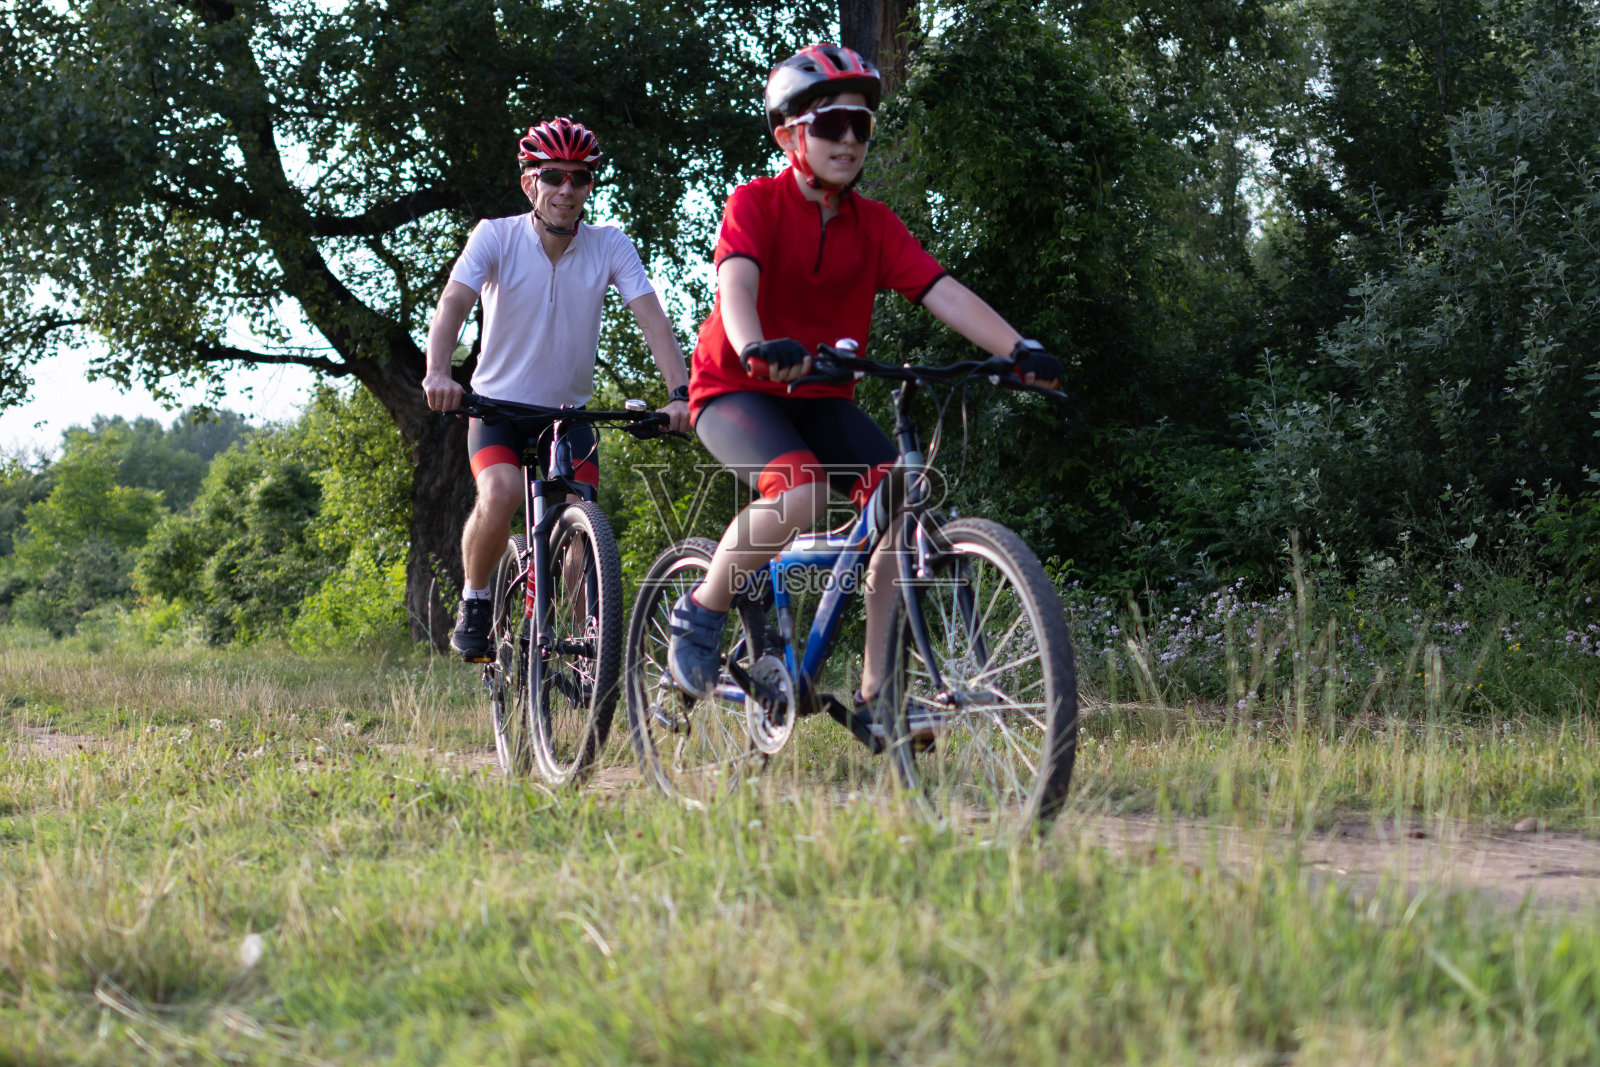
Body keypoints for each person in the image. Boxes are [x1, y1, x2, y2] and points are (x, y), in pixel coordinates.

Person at [666, 44, 1063, 714]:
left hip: (821, 394)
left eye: (861, 126)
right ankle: (703, 609)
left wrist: (1020, 347)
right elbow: (736, 286)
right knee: (802, 495)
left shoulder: (874, 226)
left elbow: (944, 292)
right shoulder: (755, 205)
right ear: (790, 133)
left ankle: (878, 692)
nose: (848, 141)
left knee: (903, 508)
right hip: (736, 389)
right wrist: (756, 344)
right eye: (829, 125)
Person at [423, 117, 691, 660]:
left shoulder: (610, 245)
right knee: (497, 494)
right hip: (496, 406)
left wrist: (681, 393)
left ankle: (587, 641)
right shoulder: (494, 236)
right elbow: (453, 304)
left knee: (581, 525)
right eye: (553, 176)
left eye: (580, 178)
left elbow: (653, 320)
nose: (566, 189)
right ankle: (476, 599)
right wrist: (438, 370)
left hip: (569, 415)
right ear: (530, 183)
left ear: (590, 185)